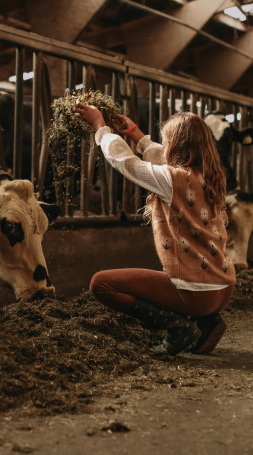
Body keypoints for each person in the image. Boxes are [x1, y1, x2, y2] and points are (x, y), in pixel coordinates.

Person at [75, 102, 235, 355]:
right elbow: (166, 159)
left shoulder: (172, 180)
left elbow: (125, 162)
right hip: (223, 289)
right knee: (167, 281)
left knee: (101, 284)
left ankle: (177, 326)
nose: (165, 146)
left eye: (167, 140)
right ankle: (205, 321)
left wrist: (101, 128)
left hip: (196, 292)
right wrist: (136, 135)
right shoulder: (211, 176)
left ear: (176, 145)